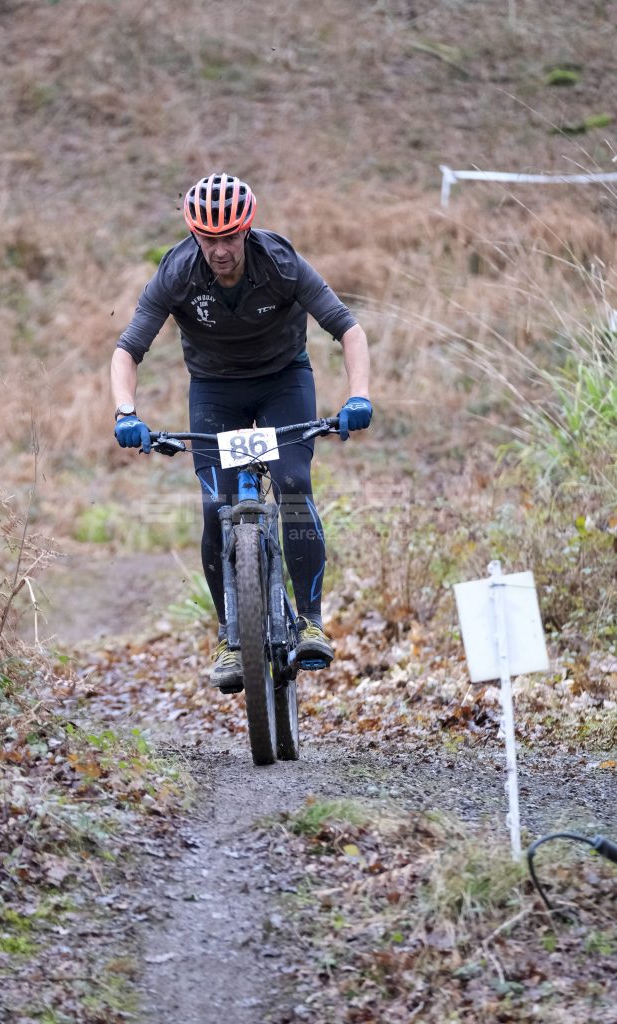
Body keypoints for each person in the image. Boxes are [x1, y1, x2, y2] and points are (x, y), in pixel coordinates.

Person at [111, 172, 372, 691]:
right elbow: (127, 350)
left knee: (293, 484)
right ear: (194, 235)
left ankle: (310, 621)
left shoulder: (280, 263)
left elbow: (348, 329)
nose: (220, 250)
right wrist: (126, 413)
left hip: (283, 382)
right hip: (215, 391)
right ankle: (230, 637)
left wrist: (358, 395)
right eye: (208, 239)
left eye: (230, 237)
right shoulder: (177, 273)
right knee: (216, 506)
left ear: (246, 230)